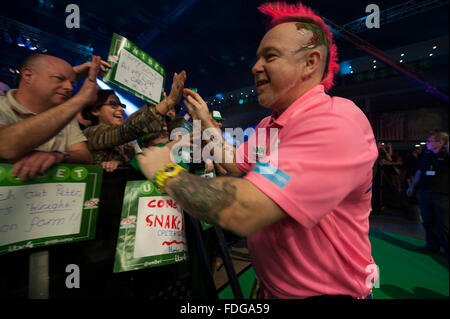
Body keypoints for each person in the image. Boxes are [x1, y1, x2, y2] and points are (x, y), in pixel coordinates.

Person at [136, 1, 378, 299]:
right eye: (258, 57)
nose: (255, 67)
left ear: (310, 62)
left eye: (270, 56)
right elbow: (236, 165)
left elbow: (244, 210)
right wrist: (203, 121)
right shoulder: (268, 124)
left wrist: (165, 171)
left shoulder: (335, 122)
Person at [0, 54, 107, 180]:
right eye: (59, 78)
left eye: (72, 83)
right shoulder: (3, 106)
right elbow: (5, 147)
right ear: (28, 75)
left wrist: (58, 156)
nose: (69, 87)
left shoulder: (63, 114)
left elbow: (85, 156)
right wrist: (81, 98)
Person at [81, 71, 186, 172]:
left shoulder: (125, 142)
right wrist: (170, 101)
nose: (121, 109)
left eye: (122, 106)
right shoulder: (91, 134)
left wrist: (119, 162)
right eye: (113, 104)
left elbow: (128, 124)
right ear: (95, 110)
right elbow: (127, 129)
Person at [407, 132, 449, 259]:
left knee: (444, 225)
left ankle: (447, 251)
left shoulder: (447, 155)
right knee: (428, 222)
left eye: (430, 141)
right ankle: (432, 246)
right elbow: (419, 171)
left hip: (442, 196)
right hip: (424, 193)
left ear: (440, 143)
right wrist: (412, 186)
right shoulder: (426, 155)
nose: (427, 143)